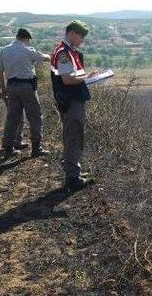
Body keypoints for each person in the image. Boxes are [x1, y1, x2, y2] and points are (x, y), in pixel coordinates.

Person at [50, 20, 98, 192]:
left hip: (72, 100)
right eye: (81, 37)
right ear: (72, 34)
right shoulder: (64, 53)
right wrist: (87, 79)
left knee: (74, 136)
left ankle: (74, 171)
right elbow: (68, 79)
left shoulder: (70, 52)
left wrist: (88, 77)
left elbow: (73, 76)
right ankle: (72, 177)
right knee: (73, 138)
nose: (82, 41)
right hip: (71, 102)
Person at [0, 28, 51, 157]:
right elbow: (45, 58)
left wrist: (3, 88)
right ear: (26, 38)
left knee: (12, 118)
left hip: (11, 86)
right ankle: (36, 148)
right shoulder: (28, 50)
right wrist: (48, 55)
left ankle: (9, 149)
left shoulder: (4, 50)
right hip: (27, 87)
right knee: (35, 116)